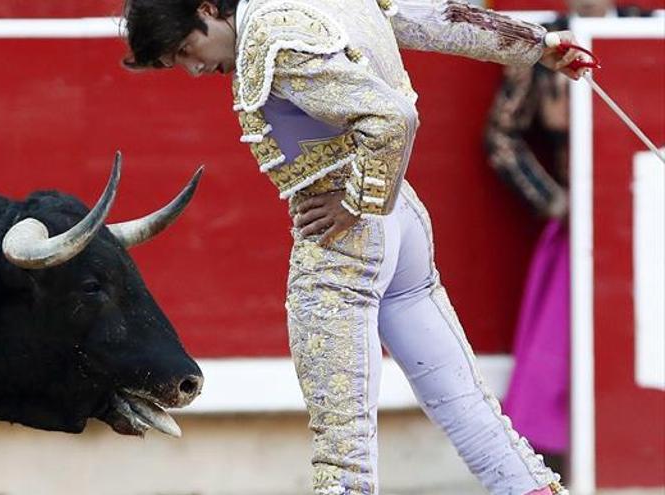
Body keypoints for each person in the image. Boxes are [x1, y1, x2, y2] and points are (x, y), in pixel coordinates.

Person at [122, 0, 584, 493]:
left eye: (189, 48)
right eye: (179, 63)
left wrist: (357, 202)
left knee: (343, 456)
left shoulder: (271, 36)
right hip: (402, 223)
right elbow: (430, 19)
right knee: (465, 403)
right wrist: (536, 45)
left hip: (343, 243)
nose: (195, 69)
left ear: (208, 8)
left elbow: (392, 118)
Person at [486, 0, 650, 480]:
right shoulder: (545, 44)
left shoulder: (648, 30)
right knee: (559, 352)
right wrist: (554, 202)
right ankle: (552, 466)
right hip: (581, 227)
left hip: (650, 218)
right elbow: (500, 137)